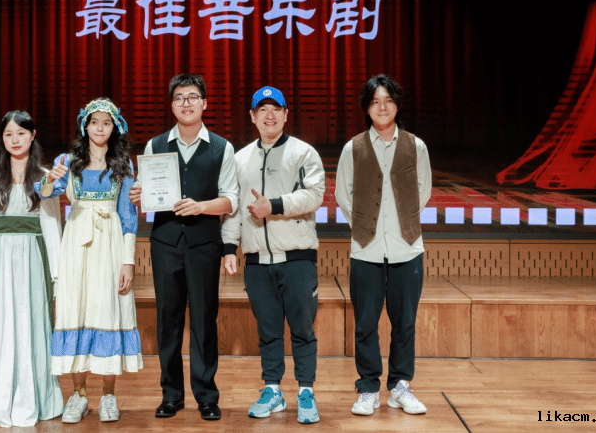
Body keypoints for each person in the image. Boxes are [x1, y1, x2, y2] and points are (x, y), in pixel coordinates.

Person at [129, 73, 238, 421]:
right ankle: (171, 395)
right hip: (165, 243)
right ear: (172, 105)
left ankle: (206, 396)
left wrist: (201, 206)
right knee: (168, 320)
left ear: (204, 103)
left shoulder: (221, 147)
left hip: (205, 244)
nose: (186, 103)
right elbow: (145, 192)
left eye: (192, 97)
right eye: (179, 98)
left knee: (205, 320)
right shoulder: (155, 145)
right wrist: (138, 195)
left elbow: (231, 200)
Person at [222, 86, 326, 424]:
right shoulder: (239, 159)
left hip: (297, 258)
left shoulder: (303, 153)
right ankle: (272, 390)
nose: (270, 115)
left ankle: (306, 391)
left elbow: (314, 195)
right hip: (257, 262)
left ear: (285, 114)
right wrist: (229, 247)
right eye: (262, 109)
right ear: (252, 117)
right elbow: (234, 209)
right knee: (267, 332)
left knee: (302, 330)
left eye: (276, 109)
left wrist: (275, 205)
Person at [37, 98, 142, 424]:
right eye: (94, 122)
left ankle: (108, 394)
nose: (99, 128)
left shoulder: (123, 164)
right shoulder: (67, 161)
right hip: (77, 243)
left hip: (109, 243)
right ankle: (79, 395)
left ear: (115, 128)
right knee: (76, 309)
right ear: (85, 125)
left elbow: (128, 215)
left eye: (106, 123)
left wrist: (127, 261)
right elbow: (45, 193)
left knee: (107, 309)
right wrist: (49, 180)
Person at [335, 74, 432, 417]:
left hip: (408, 247)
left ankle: (400, 386)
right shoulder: (353, 147)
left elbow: (423, 191)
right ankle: (368, 388)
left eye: (388, 101)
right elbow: (343, 194)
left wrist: (403, 223)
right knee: (365, 323)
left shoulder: (416, 146)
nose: (382, 107)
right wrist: (364, 226)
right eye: (375, 102)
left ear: (397, 105)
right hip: (366, 249)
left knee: (405, 322)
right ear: (367, 108)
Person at [0, 110, 64, 427]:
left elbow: (51, 224)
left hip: (33, 260)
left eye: (21, 133)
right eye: (8, 134)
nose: (15, 139)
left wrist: (57, 274)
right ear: (2, 139)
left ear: (33, 135)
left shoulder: (45, 177)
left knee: (33, 324)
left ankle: (34, 400)